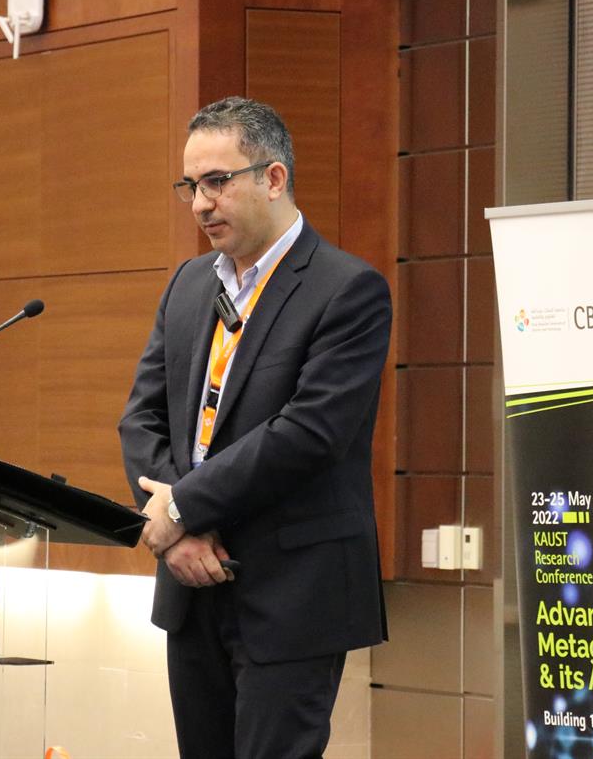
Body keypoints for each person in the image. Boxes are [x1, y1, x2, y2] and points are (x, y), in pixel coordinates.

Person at [118, 96, 391, 759]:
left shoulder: (347, 289)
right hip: (190, 584)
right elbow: (141, 418)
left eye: (217, 181)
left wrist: (181, 507)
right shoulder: (189, 285)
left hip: (291, 595)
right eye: (190, 186)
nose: (200, 203)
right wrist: (176, 534)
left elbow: (309, 433)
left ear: (273, 178)